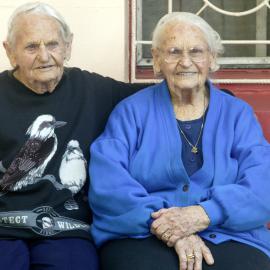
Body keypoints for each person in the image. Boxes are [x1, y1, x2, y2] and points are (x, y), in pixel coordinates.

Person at [89, 12, 270, 270]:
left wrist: (204, 214)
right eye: (174, 51)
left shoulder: (237, 114)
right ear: (157, 59)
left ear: (212, 58)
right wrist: (169, 226)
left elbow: (263, 186)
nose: (185, 62)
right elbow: (109, 185)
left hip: (230, 234)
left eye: (196, 51)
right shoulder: (130, 112)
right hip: (143, 234)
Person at [0, 2, 146, 269]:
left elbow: (152, 98)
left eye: (53, 45)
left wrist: (211, 96)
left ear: (68, 47)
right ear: (10, 51)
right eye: (31, 47)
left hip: (67, 229)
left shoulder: (92, 89)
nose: (44, 56)